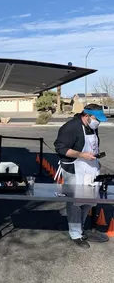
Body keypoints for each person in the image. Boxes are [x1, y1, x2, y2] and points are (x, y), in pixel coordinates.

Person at [54, 103, 107, 248]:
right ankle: (75, 233)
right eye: (97, 119)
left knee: (89, 200)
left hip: (90, 168)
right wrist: (81, 154)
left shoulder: (92, 127)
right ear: (86, 115)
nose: (99, 122)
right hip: (74, 169)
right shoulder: (70, 127)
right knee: (75, 202)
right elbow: (60, 148)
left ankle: (80, 225)